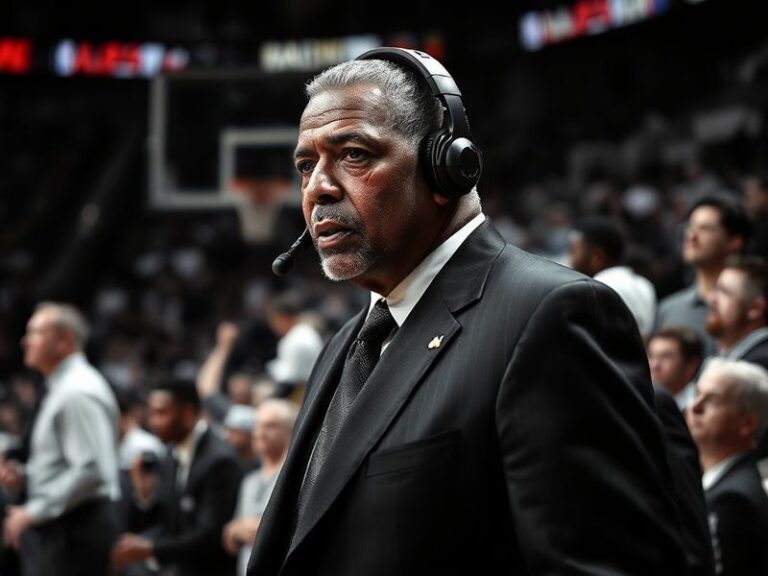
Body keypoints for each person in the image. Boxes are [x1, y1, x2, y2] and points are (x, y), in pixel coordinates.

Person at [246, 47, 690, 575]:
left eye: (354, 155)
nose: (318, 186)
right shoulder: (342, 346)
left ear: (446, 167)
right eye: (305, 164)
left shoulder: (551, 316)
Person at [0, 302, 120, 576]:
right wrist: (27, 476)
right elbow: (68, 463)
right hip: (68, 525)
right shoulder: (63, 387)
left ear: (64, 341)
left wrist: (33, 511)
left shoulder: (76, 390)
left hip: (77, 528)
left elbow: (92, 469)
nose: (24, 341)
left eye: (36, 333)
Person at [112, 378, 242, 576]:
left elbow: (210, 535)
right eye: (151, 413)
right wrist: (145, 496)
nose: (153, 422)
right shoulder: (170, 453)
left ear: (188, 413)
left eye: (161, 413)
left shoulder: (219, 460)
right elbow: (168, 522)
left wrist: (150, 549)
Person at [685, 358, 768, 575]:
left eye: (712, 400)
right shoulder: (728, 482)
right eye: (696, 394)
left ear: (747, 424)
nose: (694, 407)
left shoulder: (733, 501)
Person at [657, 194, 751, 356]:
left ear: (734, 241)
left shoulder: (752, 309)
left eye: (705, 229)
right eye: (689, 227)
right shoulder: (669, 310)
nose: (691, 236)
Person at [223, 399, 297, 576]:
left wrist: (268, 531)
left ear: (290, 432)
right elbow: (229, 542)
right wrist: (235, 531)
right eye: (257, 425)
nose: (260, 433)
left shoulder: (296, 478)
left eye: (271, 426)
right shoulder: (249, 481)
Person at [568, 215, 657, 340]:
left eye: (573, 250)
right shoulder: (644, 284)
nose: (569, 259)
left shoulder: (595, 288)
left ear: (597, 256)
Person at [706, 255, 768, 369]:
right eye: (715, 289)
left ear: (755, 308)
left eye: (724, 292)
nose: (711, 299)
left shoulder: (760, 364)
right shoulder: (725, 357)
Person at [647, 326, 705, 410]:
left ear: (691, 364)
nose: (654, 365)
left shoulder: (699, 408)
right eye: (651, 356)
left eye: (666, 357)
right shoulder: (642, 400)